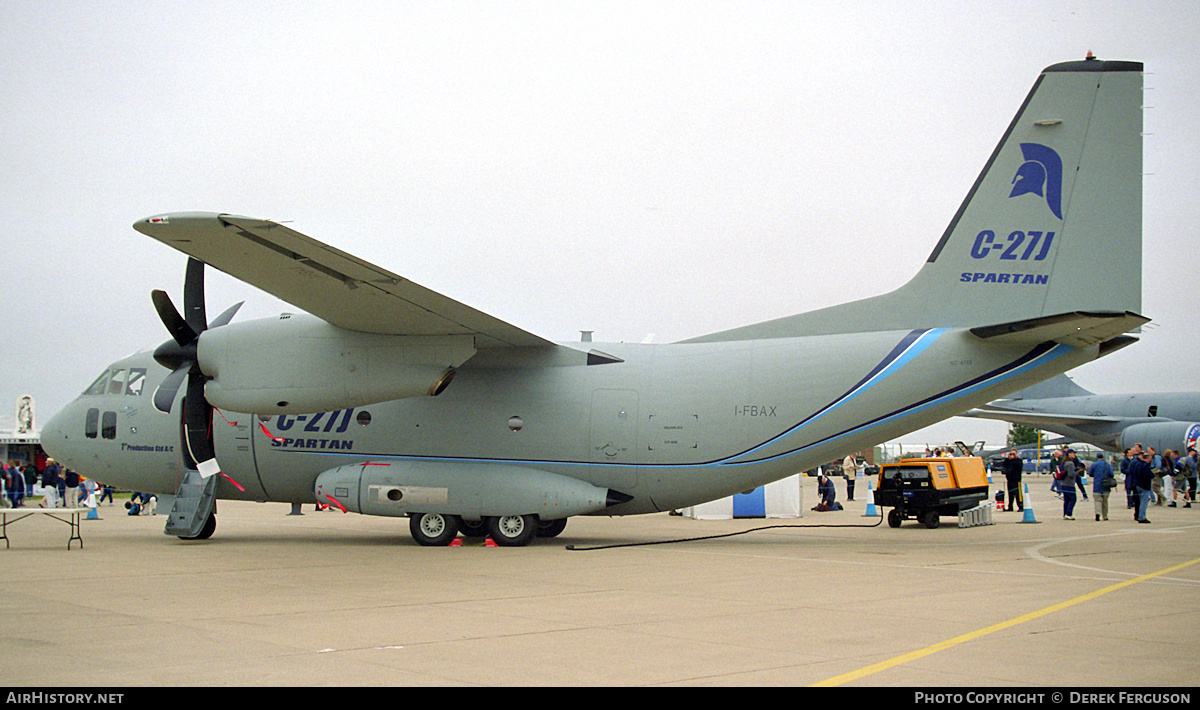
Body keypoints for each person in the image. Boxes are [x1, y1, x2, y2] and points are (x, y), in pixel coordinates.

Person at [1059, 449, 1088, 520]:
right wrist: (1077, 472)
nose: (1074, 455)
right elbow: (1071, 474)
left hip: (1063, 483)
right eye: (1073, 453)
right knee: (1073, 499)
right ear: (1069, 454)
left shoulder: (1064, 462)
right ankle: (1069, 513)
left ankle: (1065, 513)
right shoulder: (1070, 463)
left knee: (1066, 500)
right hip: (1069, 483)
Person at [1129, 448, 1154, 523]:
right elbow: (1147, 475)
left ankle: (1138, 515)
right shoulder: (1145, 466)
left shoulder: (1137, 464)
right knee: (1144, 502)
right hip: (1144, 485)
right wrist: (1152, 474)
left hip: (1138, 484)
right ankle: (1142, 517)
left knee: (1139, 501)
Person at [1089, 452, 1115, 521]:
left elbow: (1090, 474)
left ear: (1097, 457)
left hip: (1097, 485)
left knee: (1097, 500)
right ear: (1103, 457)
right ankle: (1105, 516)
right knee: (1105, 501)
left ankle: (1098, 514)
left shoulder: (1094, 464)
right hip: (1106, 485)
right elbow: (1112, 474)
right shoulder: (1107, 465)